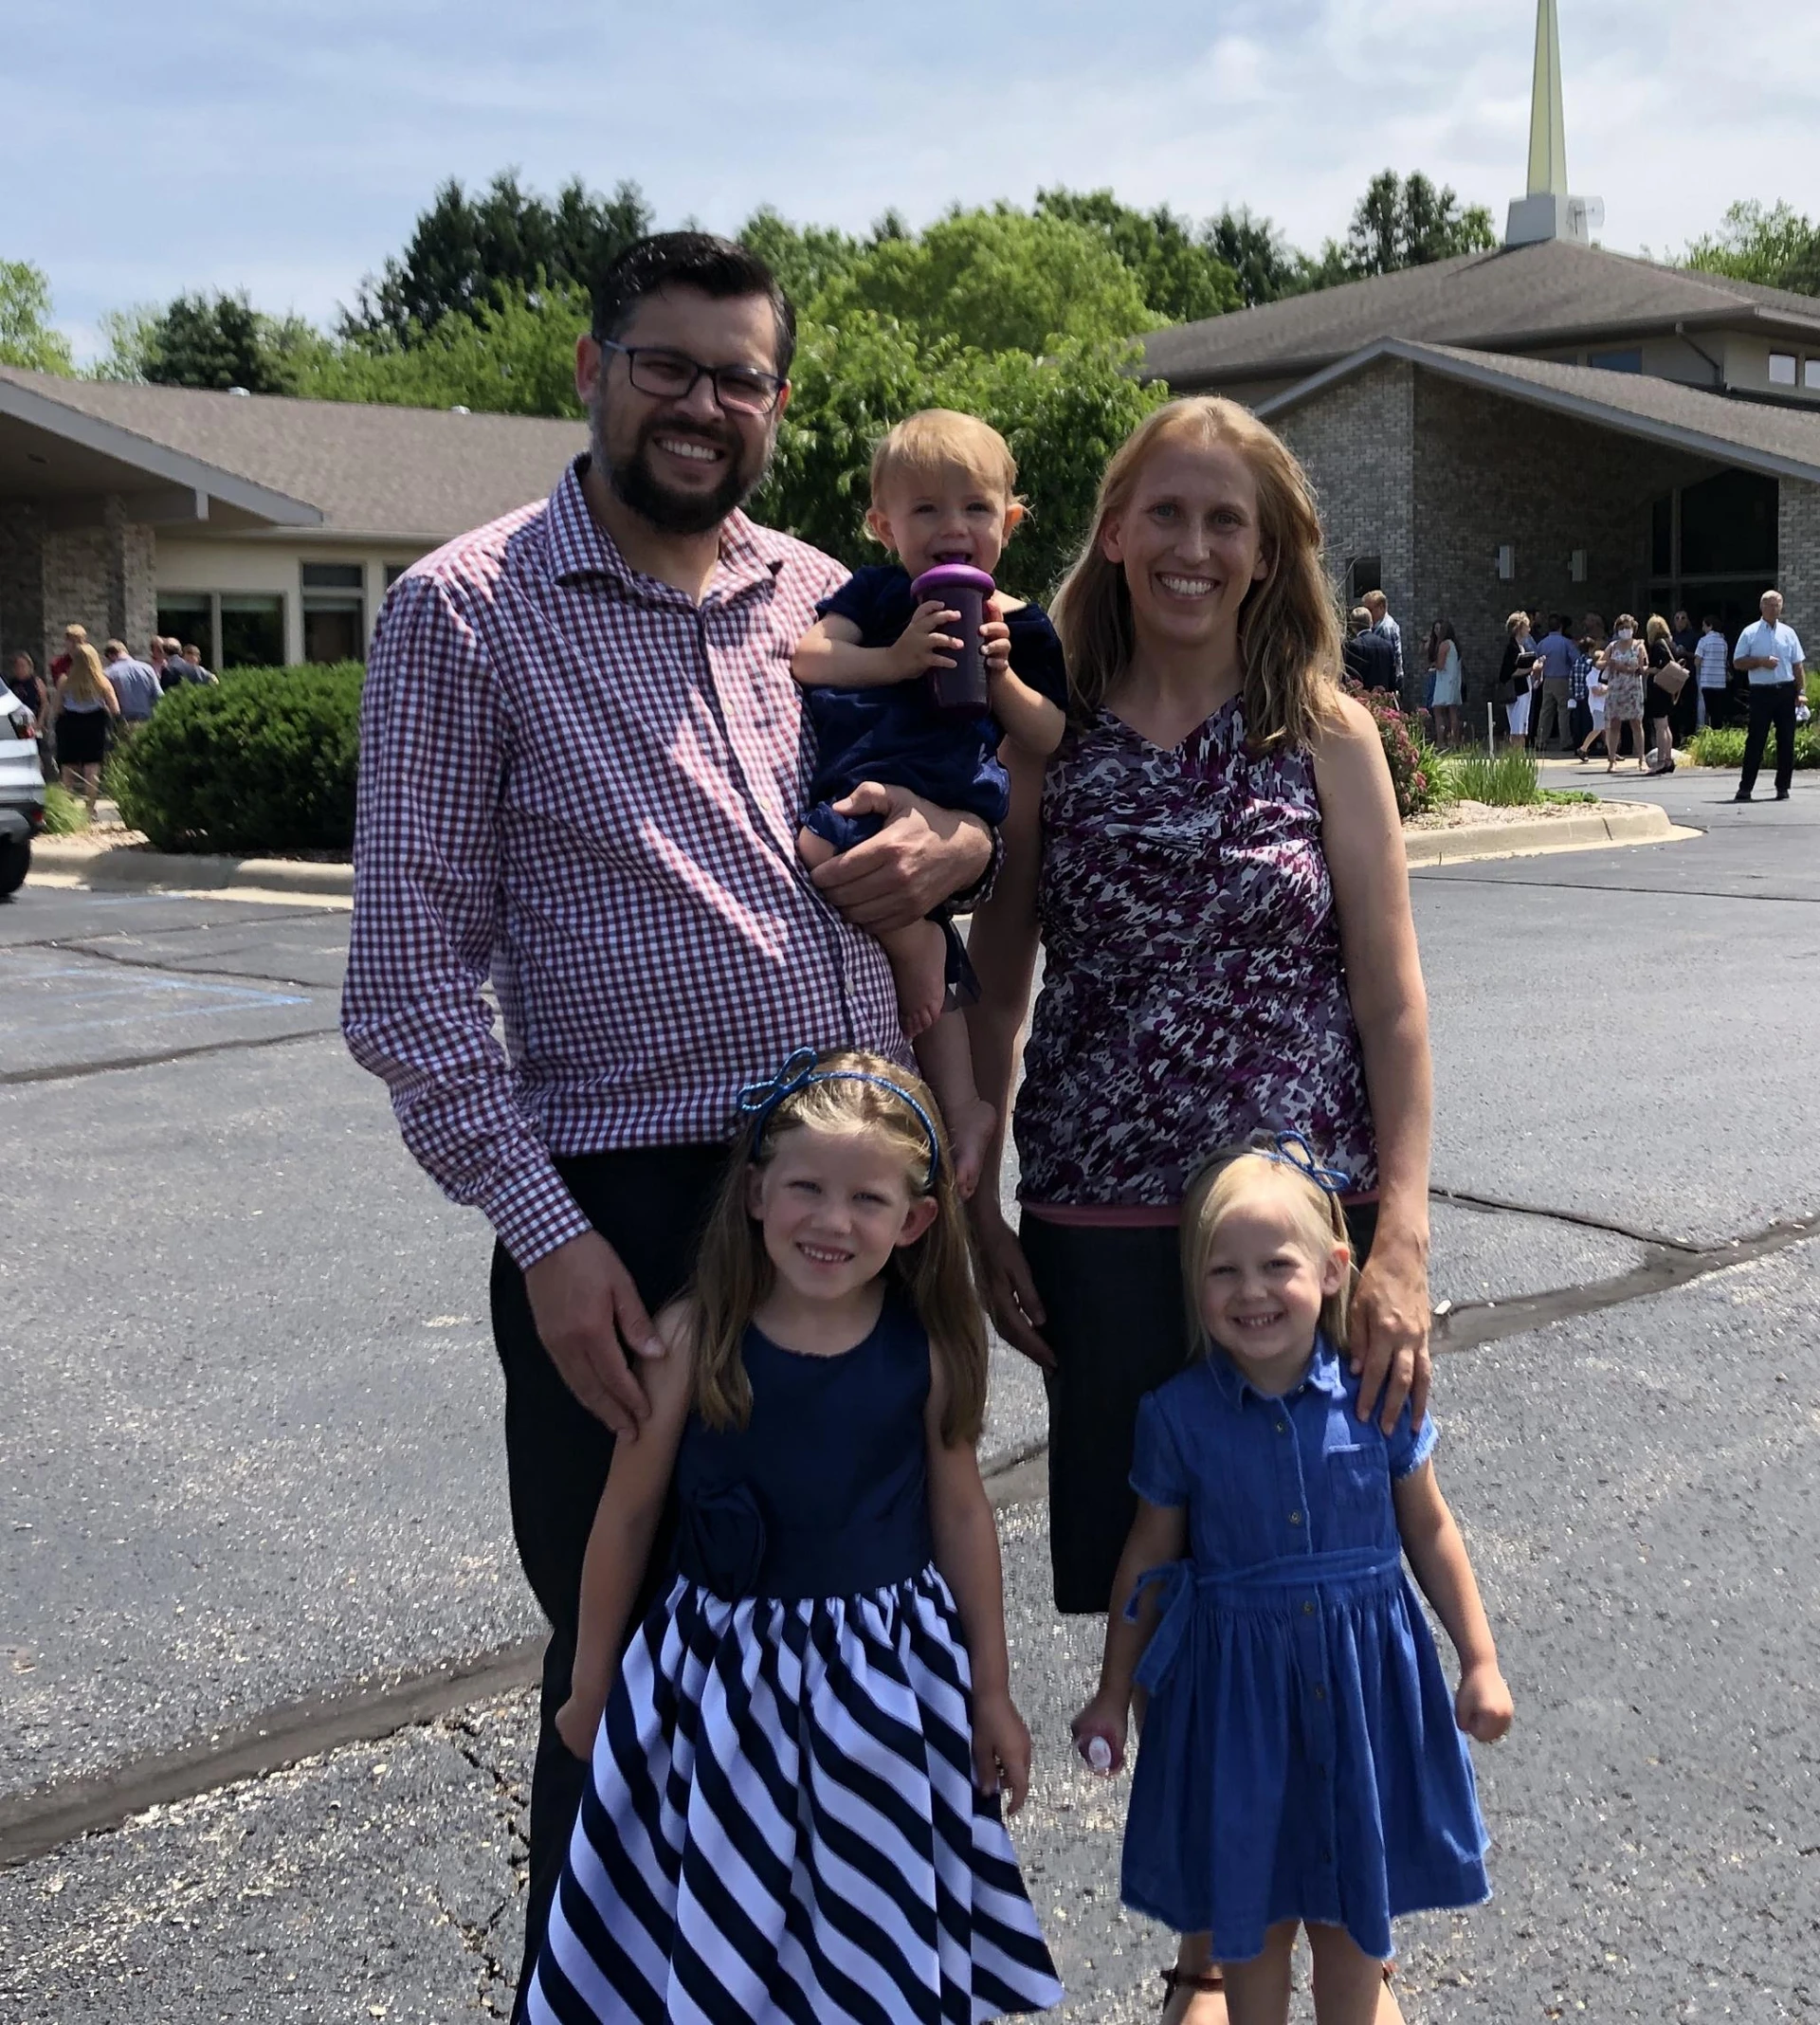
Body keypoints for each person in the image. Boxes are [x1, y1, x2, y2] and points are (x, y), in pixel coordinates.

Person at [341, 230, 996, 2013]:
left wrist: (967, 849)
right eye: (670, 364)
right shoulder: (465, 611)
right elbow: (406, 989)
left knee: (864, 1653)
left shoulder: (824, 595)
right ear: (592, 369)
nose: (705, 403)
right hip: (623, 1218)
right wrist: (548, 1244)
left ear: (779, 403)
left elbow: (961, 795)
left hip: (862, 1196)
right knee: (630, 1667)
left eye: (743, 376)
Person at [965, 394, 1432, 2025]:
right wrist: (976, 1207)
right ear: (1113, 529)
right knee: (1165, 1574)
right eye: (1166, 512)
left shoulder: (1325, 732)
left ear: (1270, 549)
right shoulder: (1050, 734)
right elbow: (999, 984)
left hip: (1299, 1233)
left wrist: (1405, 1243)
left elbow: (1391, 1006)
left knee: (1314, 1561)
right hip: (1095, 1215)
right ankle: (1207, 1946)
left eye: (1227, 520)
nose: (1193, 546)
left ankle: (1333, 1928)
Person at [528, 1049, 1065, 2025]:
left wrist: (993, 1690)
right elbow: (628, 1514)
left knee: (864, 1919)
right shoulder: (694, 1340)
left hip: (885, 1693)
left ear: (915, 1222)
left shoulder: (930, 1355)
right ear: (754, 1194)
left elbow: (960, 1516)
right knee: (724, 1916)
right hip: (718, 1692)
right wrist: (593, 1678)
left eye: (867, 1199)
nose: (830, 1221)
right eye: (806, 1188)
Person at [1072, 1140, 1511, 2023]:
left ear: (1333, 1267)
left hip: (1363, 1700)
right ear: (1194, 1287)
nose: (1251, 1291)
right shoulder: (1177, 1416)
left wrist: (1480, 1658)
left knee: (1354, 1924)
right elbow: (1149, 1560)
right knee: (1253, 1923)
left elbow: (1429, 1526)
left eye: (1277, 1265)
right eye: (1222, 1271)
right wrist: (1113, 1691)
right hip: (1239, 1713)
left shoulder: (1375, 1395)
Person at [790, 410, 1068, 1190]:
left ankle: (925, 970)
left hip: (950, 787)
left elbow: (1048, 733)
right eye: (924, 510)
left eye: (975, 508)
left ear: (1009, 521)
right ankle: (967, 1101)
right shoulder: (879, 595)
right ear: (883, 526)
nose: (953, 527)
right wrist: (895, 657)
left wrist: (1006, 678)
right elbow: (810, 656)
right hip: (865, 775)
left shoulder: (1021, 622)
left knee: (863, 879)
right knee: (824, 856)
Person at [1731, 588, 1807, 803]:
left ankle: (1782, 787)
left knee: (1786, 740)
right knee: (1756, 740)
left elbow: (1797, 664)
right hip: (1761, 692)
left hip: (1785, 690)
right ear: (1762, 607)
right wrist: (1760, 661)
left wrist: (1801, 692)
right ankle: (1745, 788)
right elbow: (1738, 662)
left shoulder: (1788, 633)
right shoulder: (1750, 632)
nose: (1774, 609)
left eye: (1777, 605)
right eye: (1770, 605)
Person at [51, 641, 120, 810]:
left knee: (68, 768)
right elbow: (115, 709)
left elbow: (58, 708)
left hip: (70, 724)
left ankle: (67, 808)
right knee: (92, 768)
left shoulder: (64, 681)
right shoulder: (102, 682)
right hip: (95, 725)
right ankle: (90, 809)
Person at [1600, 615, 1648, 774]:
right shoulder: (1613, 646)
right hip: (1615, 689)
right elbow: (1598, 662)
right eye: (1621, 628)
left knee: (1636, 723)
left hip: (1633, 688)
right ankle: (1612, 759)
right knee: (1614, 724)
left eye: (1627, 628)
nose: (1624, 631)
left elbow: (1644, 667)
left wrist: (1629, 668)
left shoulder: (1639, 646)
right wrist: (1609, 663)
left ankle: (1641, 758)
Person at [1643, 614, 1687, 775]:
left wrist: (1647, 669)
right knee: (1665, 725)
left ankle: (1661, 761)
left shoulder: (1657, 645)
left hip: (1659, 689)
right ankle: (1668, 759)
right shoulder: (1671, 643)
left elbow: (1660, 667)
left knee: (1660, 726)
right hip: (1668, 689)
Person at [1530, 612, 1575, 754]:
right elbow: (1575, 659)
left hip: (1547, 680)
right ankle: (1565, 741)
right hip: (1562, 679)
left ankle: (1540, 741)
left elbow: (1537, 660)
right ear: (1561, 626)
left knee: (1545, 711)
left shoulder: (1542, 643)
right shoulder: (1566, 642)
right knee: (1563, 711)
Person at [101, 639, 161, 735]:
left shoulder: (107, 674)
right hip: (147, 722)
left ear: (111, 655)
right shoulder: (147, 669)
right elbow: (159, 696)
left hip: (124, 725)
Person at [1497, 611, 1535, 745]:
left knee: (1523, 728)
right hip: (1517, 691)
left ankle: (1520, 757)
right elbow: (1509, 672)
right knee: (1516, 728)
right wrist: (1532, 668)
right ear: (1519, 628)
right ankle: (1516, 756)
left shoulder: (1521, 647)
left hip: (1524, 689)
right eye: (1527, 627)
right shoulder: (1512, 648)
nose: (1529, 630)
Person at [1340, 606, 1397, 695]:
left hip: (1362, 700)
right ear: (1371, 622)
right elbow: (1392, 677)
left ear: (1352, 626)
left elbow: (1349, 678)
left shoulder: (1353, 646)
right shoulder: (1387, 646)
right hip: (1384, 700)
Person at [1424, 618, 1463, 745]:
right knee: (1453, 711)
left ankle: (1441, 741)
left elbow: (1440, 665)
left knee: (1438, 710)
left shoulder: (1444, 644)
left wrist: (1433, 664)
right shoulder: (1454, 644)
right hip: (1454, 680)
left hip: (1444, 681)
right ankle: (1454, 739)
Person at [1360, 589, 1403, 696]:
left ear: (1381, 608)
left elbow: (1388, 659)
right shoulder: (1381, 625)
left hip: (1385, 682)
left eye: (1370, 609)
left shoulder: (1385, 628)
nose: (1367, 614)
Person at [1574, 635, 1609, 762]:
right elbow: (1596, 691)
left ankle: (1611, 751)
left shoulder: (1604, 674)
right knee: (1598, 728)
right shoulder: (1591, 675)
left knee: (1607, 728)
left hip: (1605, 705)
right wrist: (1609, 688)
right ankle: (1583, 748)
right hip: (1597, 706)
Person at [1694, 614, 1731, 729]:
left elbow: (1697, 661)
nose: (1703, 629)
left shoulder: (1703, 641)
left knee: (1708, 709)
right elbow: (1725, 660)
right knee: (1718, 712)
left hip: (1707, 681)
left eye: (1704, 626)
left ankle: (1706, 732)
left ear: (1709, 626)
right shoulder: (1723, 642)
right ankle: (1718, 733)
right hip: (1720, 682)